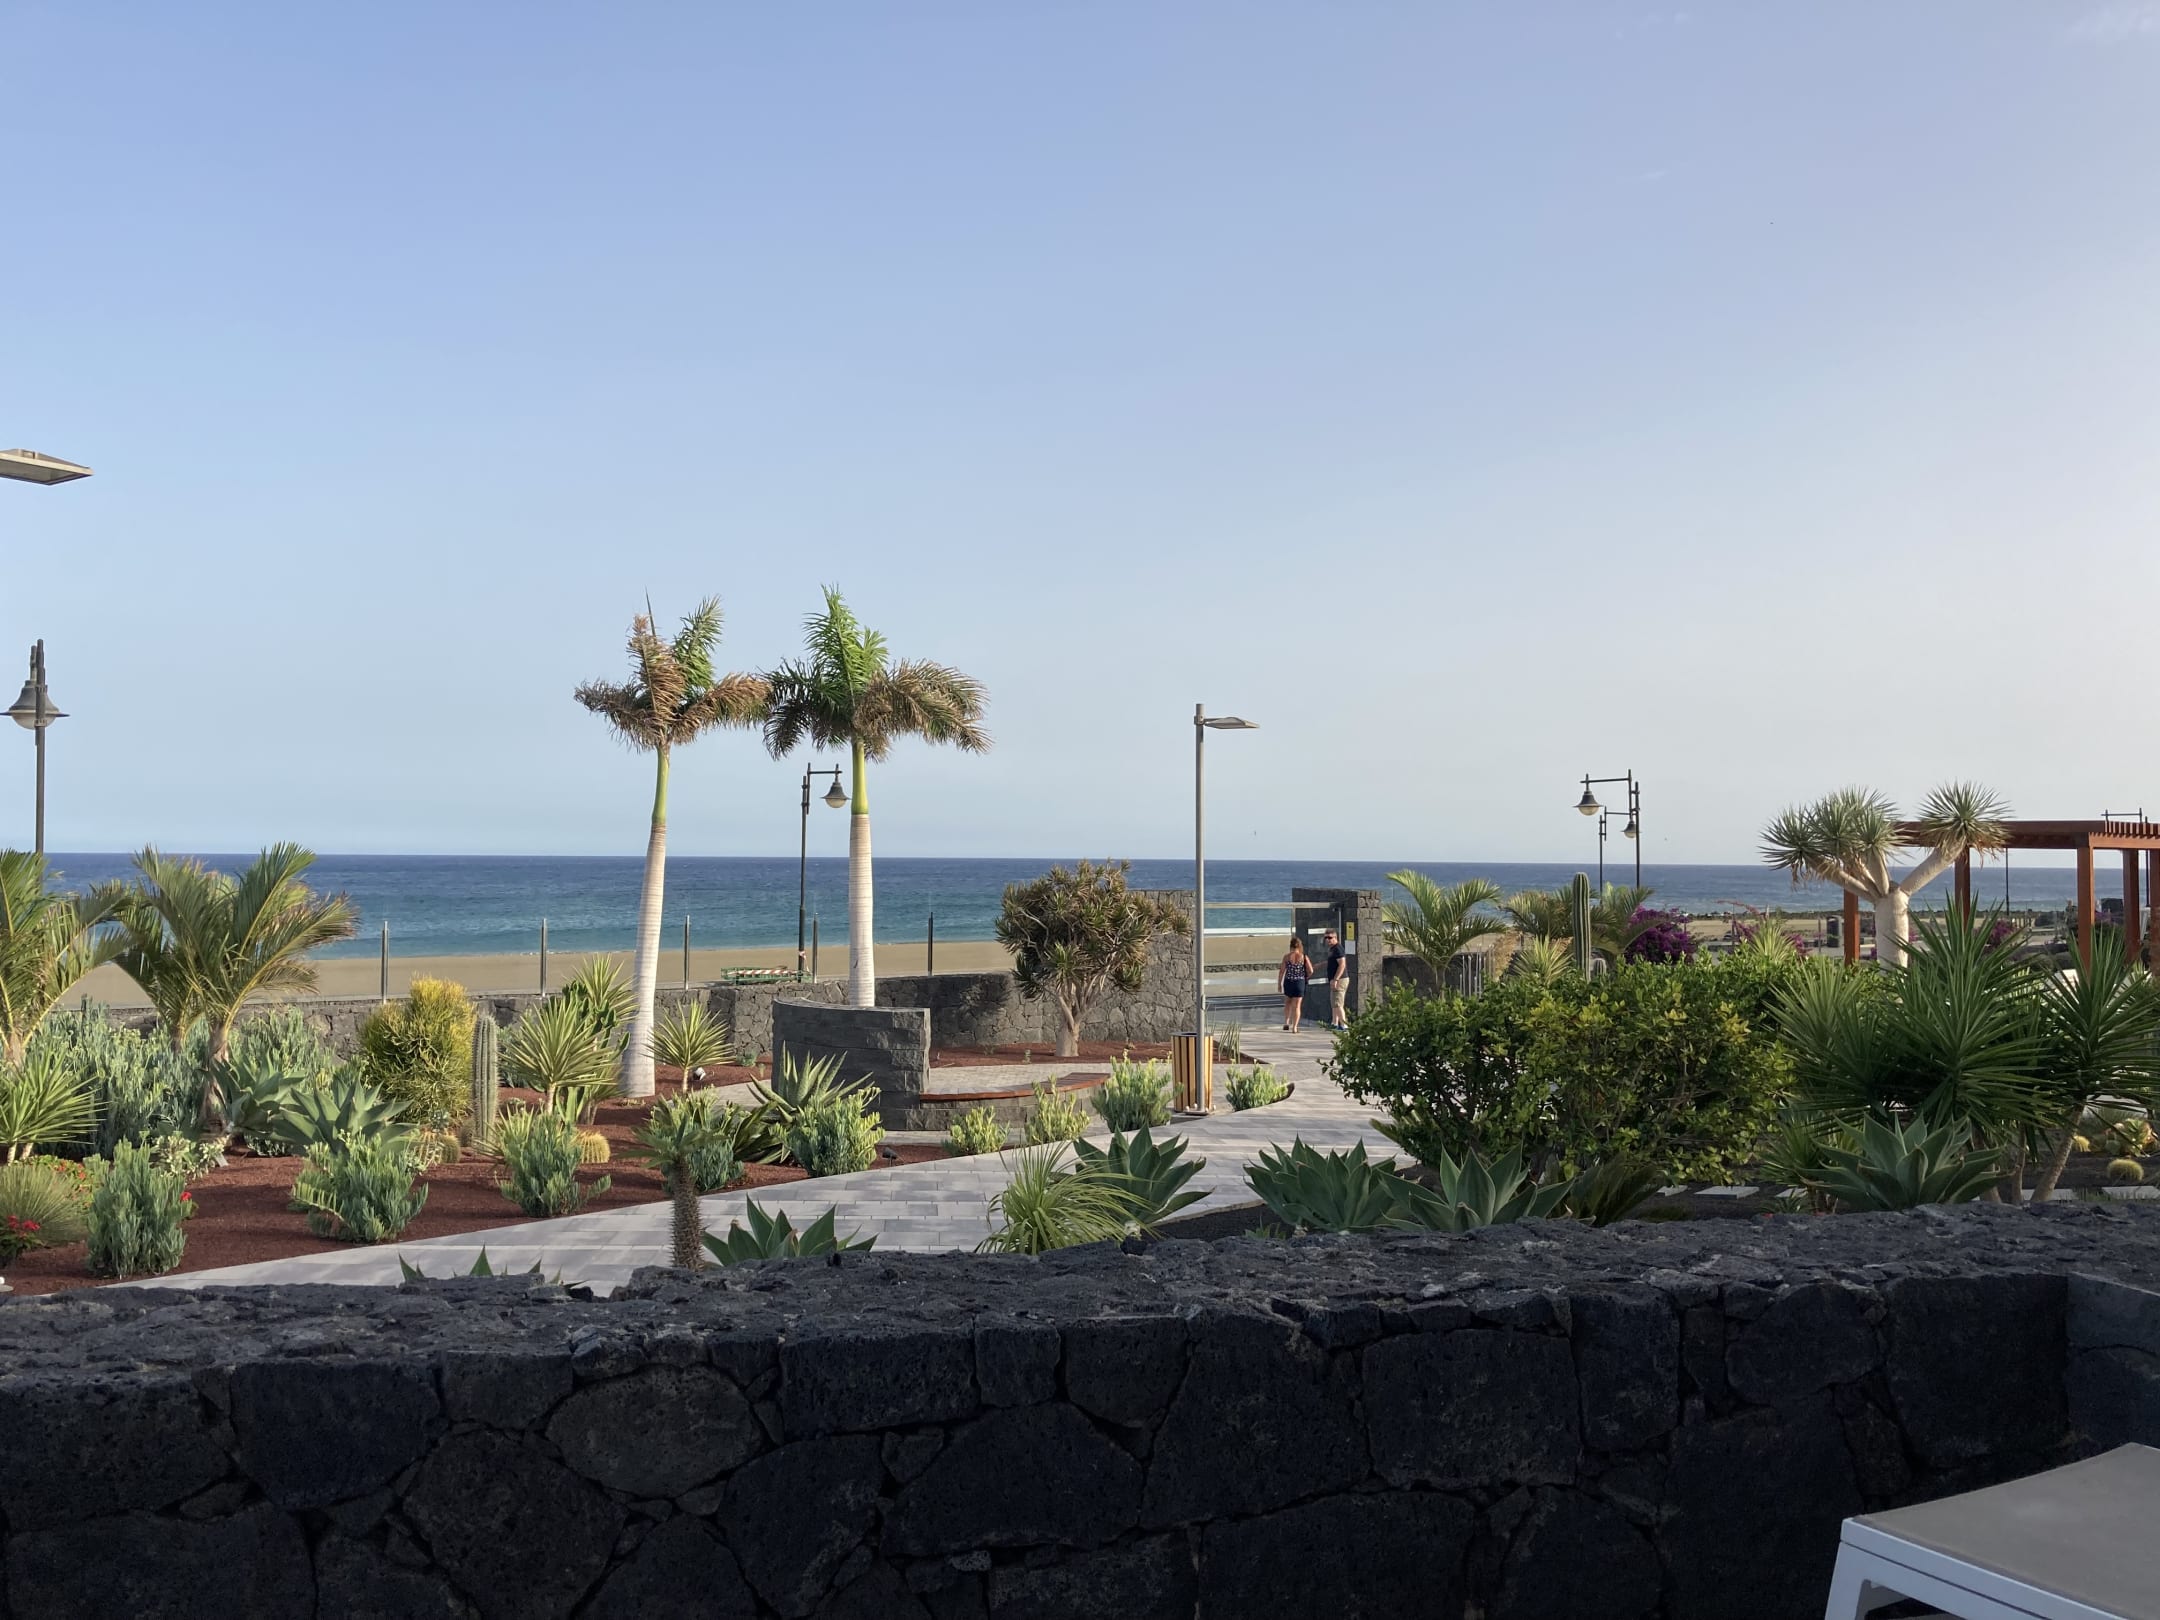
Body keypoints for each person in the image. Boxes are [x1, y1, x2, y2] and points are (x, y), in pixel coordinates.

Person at [1278, 936, 1312, 1032]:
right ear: (1300, 946)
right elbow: (1311, 970)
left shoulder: (1286, 957)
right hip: (1299, 983)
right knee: (1297, 1006)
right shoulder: (1304, 957)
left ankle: (1286, 1022)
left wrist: (1279, 984)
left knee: (1287, 1003)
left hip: (1288, 982)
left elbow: (1281, 971)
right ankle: (1295, 1027)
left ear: (1291, 946)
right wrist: (1305, 977)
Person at [1323, 928, 1348, 1031]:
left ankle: (1344, 1025)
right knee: (1334, 1002)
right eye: (1326, 938)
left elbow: (1342, 964)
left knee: (1338, 1003)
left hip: (1340, 979)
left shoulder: (1338, 949)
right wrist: (1319, 965)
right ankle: (1334, 1023)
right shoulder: (1332, 949)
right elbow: (1332, 962)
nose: (1327, 940)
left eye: (1330, 937)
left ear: (1335, 937)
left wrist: (1336, 979)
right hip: (1334, 979)